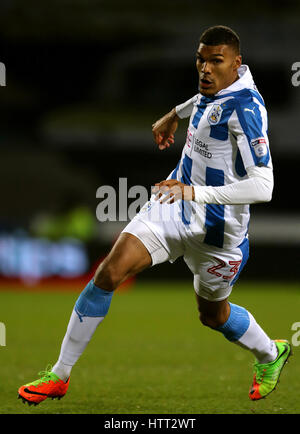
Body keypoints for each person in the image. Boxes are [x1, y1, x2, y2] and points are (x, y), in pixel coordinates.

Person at [18, 25, 291, 406]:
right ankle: (59, 375)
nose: (205, 70)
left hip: (219, 233)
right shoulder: (217, 88)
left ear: (237, 64)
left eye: (216, 61)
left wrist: (194, 191)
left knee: (213, 316)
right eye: (201, 60)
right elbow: (204, 101)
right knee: (108, 273)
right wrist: (173, 113)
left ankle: (270, 353)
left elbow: (264, 187)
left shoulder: (246, 111)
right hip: (171, 208)